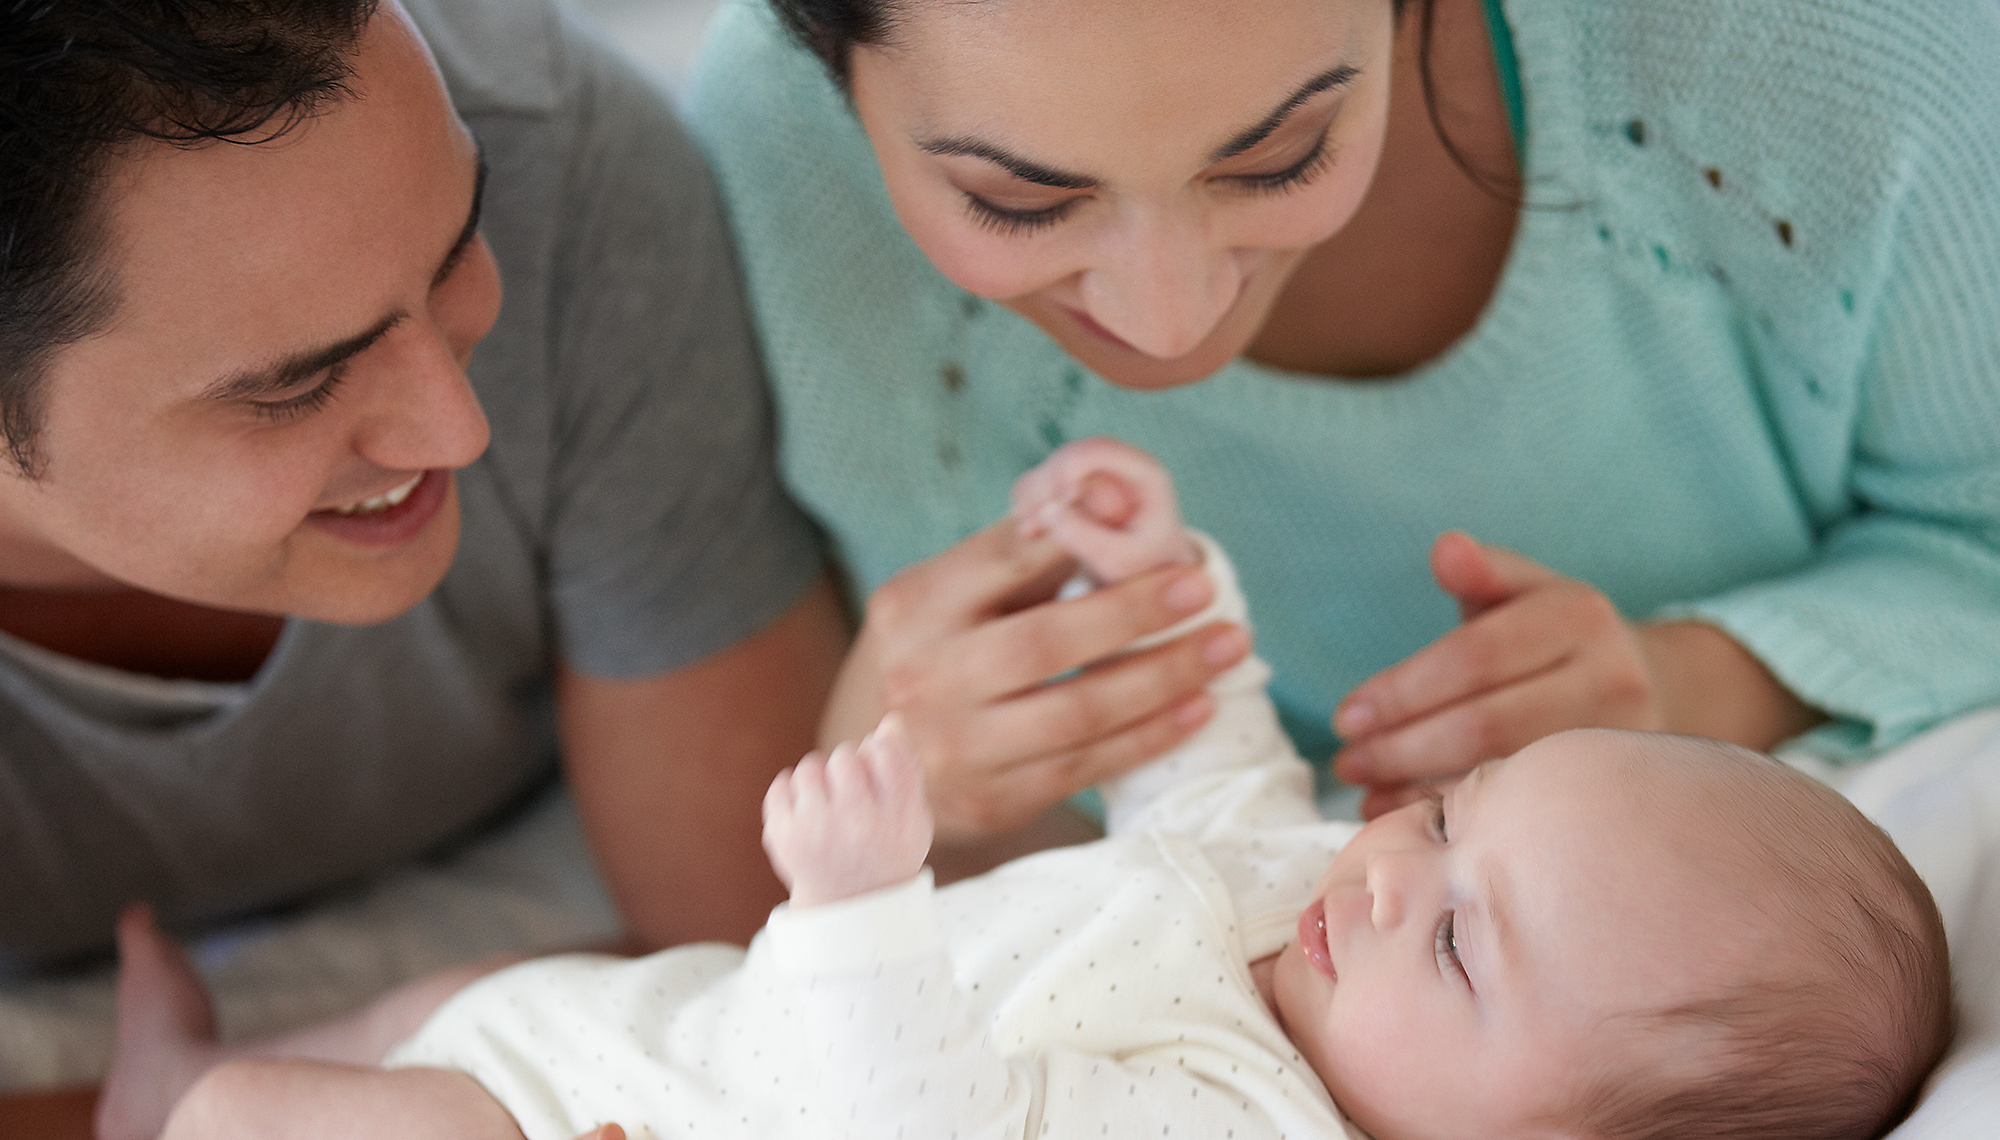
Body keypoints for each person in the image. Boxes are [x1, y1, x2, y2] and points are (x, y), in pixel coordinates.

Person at [103, 439, 1951, 1140]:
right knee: (439, 1008)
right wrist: (1163, 590)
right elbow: (1210, 777)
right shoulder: (1317, 906)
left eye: (1466, 949)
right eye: (1457, 818)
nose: (1394, 867)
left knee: (321, 1118)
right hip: (656, 1035)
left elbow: (915, 1124)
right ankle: (195, 1077)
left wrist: (860, 913)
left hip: (688, 1118)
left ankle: (177, 1104)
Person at [678, 0, 2000, 844]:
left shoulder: (1838, 42)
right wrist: (899, 778)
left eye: (1279, 157)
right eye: (1021, 204)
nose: (1168, 315)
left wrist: (1702, 682)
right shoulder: (774, 159)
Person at [0, 0, 852, 982]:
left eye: (459, 249)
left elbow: (767, 959)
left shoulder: (562, 158)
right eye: (297, 385)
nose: (461, 430)